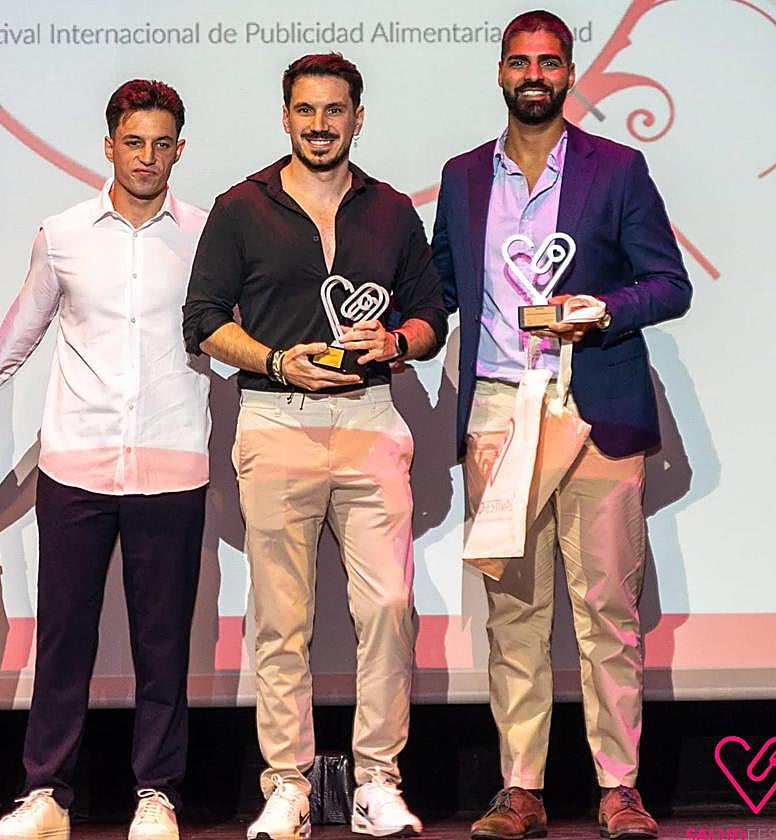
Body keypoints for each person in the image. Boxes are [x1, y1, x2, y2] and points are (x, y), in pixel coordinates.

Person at [431, 10, 692, 840]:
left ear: (571, 72)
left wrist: (603, 309)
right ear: (500, 73)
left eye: (549, 62)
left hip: (592, 404)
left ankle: (619, 787)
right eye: (520, 62)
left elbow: (670, 283)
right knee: (514, 611)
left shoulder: (617, 168)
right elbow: (439, 289)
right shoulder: (463, 177)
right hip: (500, 410)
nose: (534, 75)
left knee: (606, 608)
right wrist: (386, 328)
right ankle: (521, 787)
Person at [183, 53, 446, 840]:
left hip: (370, 420)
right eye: (306, 110)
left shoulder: (392, 210)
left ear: (357, 118)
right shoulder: (241, 207)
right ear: (285, 117)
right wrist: (273, 360)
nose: (320, 124)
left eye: (335, 110)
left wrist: (396, 340)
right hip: (275, 420)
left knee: (389, 607)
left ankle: (376, 784)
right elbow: (203, 319)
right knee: (280, 620)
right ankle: (289, 788)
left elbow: (431, 318)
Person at [0, 80, 209, 840]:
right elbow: (16, 336)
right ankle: (45, 794)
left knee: (163, 645)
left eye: (161, 144)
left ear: (179, 149)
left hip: (173, 465)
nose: (147, 157)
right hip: (76, 467)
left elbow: (240, 334)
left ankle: (158, 794)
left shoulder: (207, 236)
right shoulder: (63, 234)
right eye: (133, 142)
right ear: (109, 146)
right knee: (64, 638)